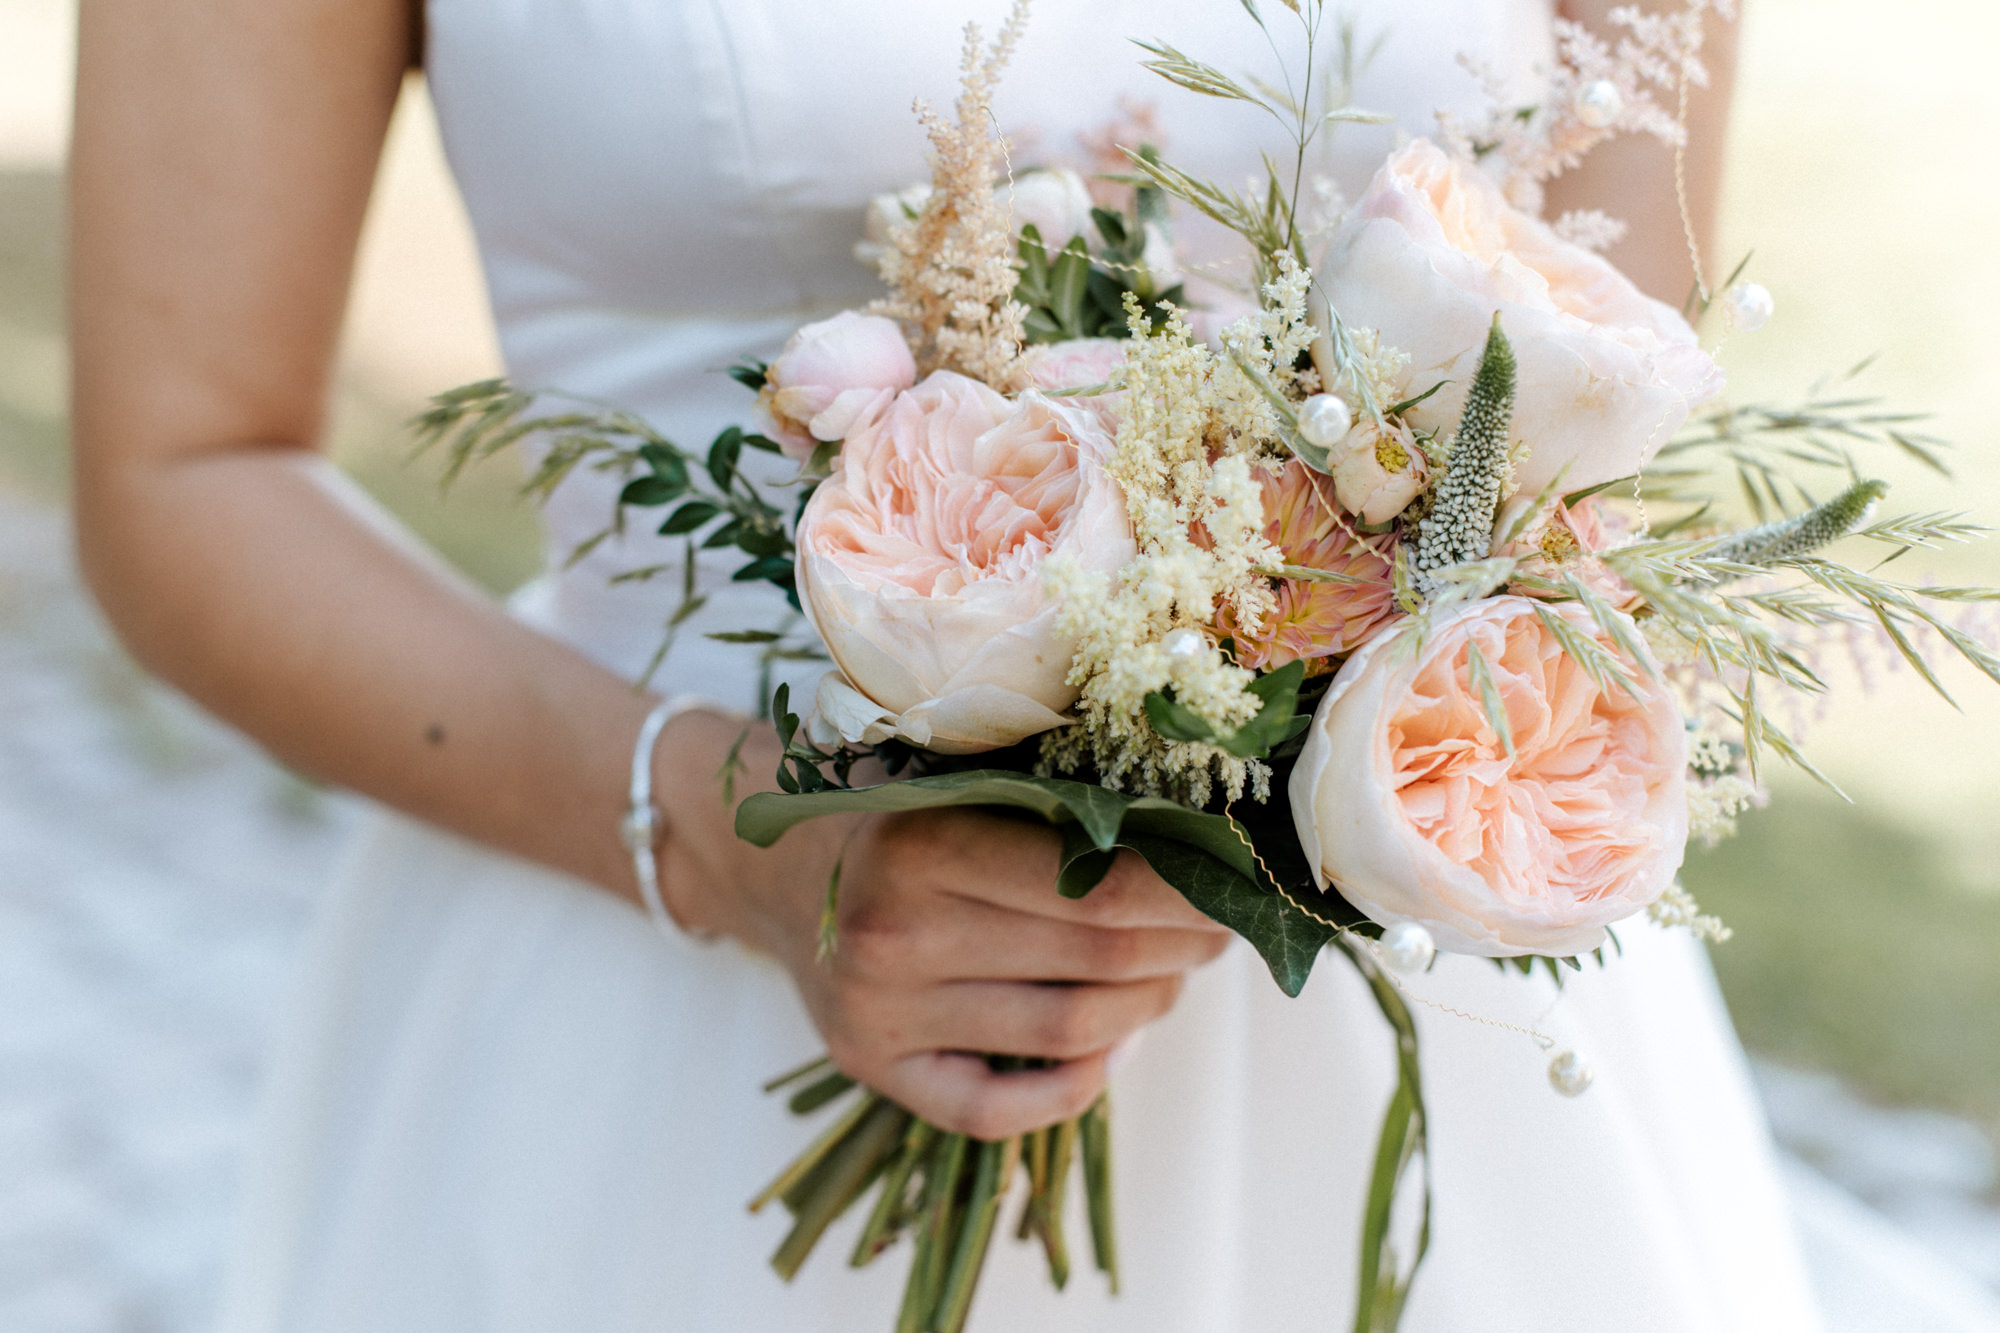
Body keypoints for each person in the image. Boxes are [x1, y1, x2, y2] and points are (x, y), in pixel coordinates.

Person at [70, 0, 1824, 1328]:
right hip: (653, 971)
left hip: (1393, 1007)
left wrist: (1296, 695)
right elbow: (185, 468)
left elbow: (1600, 392)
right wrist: (730, 837)